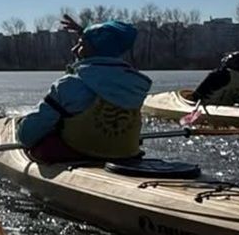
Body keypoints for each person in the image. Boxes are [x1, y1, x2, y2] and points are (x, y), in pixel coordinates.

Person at [16, 15, 151, 164]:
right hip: (125, 154)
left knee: (40, 141)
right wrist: (85, 33)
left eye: (80, 44)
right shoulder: (136, 83)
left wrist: (21, 128)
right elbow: (104, 50)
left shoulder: (69, 85)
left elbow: (26, 136)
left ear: (93, 49)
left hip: (78, 153)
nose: (74, 49)